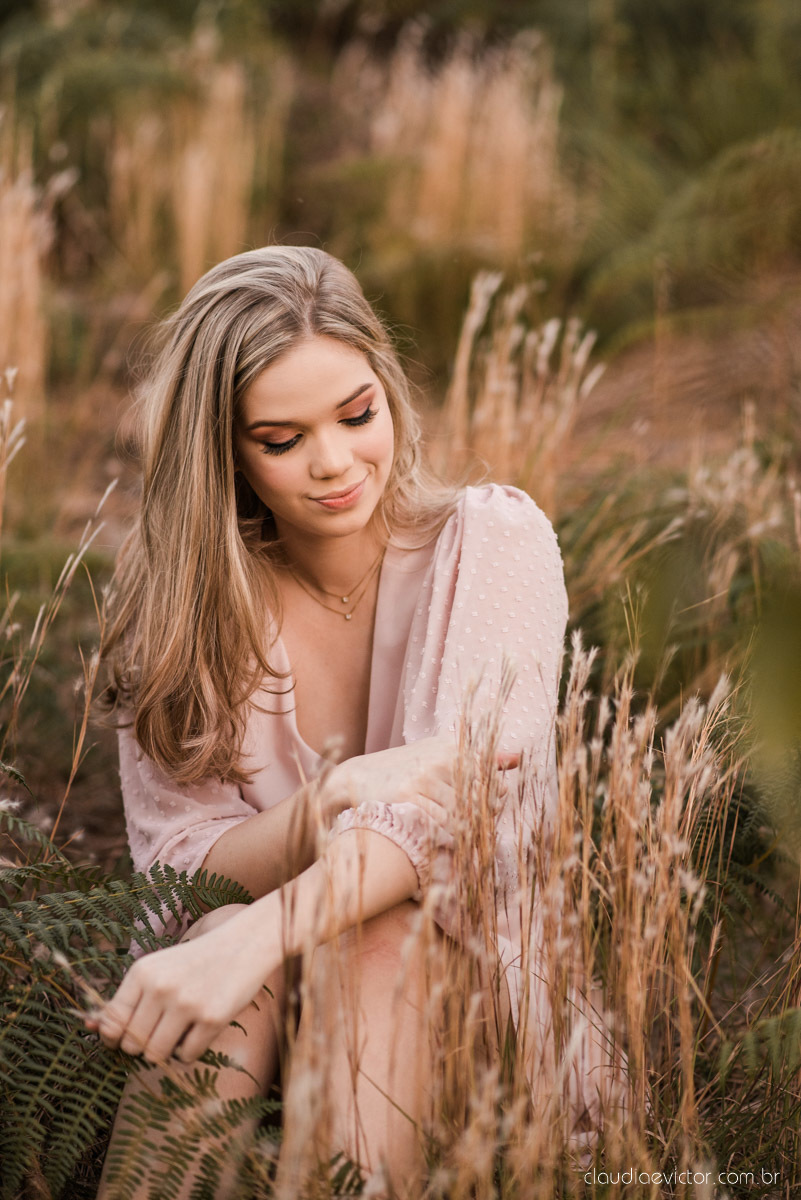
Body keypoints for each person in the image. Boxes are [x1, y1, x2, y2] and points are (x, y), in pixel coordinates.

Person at [86, 245, 630, 1199]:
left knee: (372, 934)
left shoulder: (492, 543)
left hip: (463, 1005)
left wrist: (260, 936)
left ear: (388, 390)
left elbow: (461, 811)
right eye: (281, 439)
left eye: (356, 414)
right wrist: (329, 798)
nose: (335, 464)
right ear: (222, 451)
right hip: (250, 1017)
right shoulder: (184, 608)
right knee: (217, 922)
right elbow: (178, 866)